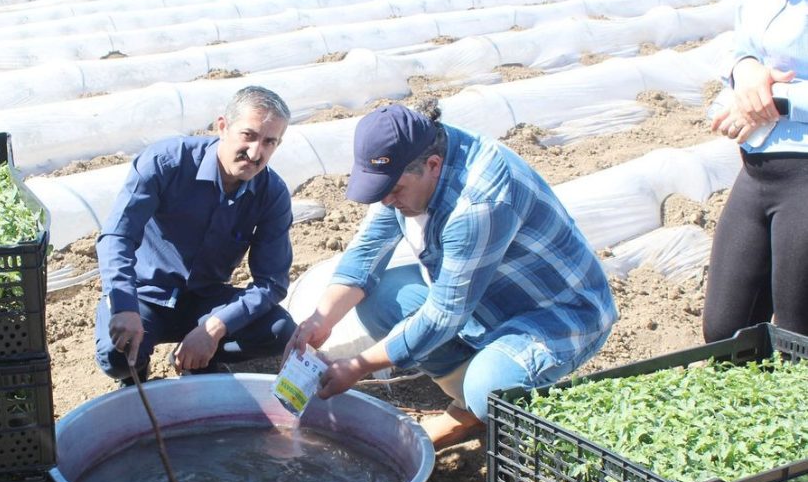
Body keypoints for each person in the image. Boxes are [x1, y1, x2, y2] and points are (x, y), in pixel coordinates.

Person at [287, 104, 617, 449]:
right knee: (380, 301)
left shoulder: (478, 203)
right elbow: (369, 250)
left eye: (395, 190)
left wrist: (358, 365)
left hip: (559, 314)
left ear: (432, 166)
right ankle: (471, 384)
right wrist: (320, 320)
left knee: (488, 388)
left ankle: (476, 404)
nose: (387, 200)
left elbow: (445, 315)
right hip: (484, 297)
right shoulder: (413, 157)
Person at [95, 86, 297, 383]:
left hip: (206, 298)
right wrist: (124, 306)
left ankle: (201, 356)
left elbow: (271, 283)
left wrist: (215, 327)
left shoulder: (272, 194)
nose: (256, 152)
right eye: (249, 135)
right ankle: (138, 372)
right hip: (147, 294)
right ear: (223, 127)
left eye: (269, 142)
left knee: (279, 331)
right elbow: (117, 237)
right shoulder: (166, 163)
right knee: (118, 357)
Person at [705, 0, 808, 342]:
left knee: (799, 335)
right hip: (757, 164)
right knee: (726, 331)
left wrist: (776, 100)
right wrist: (744, 69)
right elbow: (740, 43)